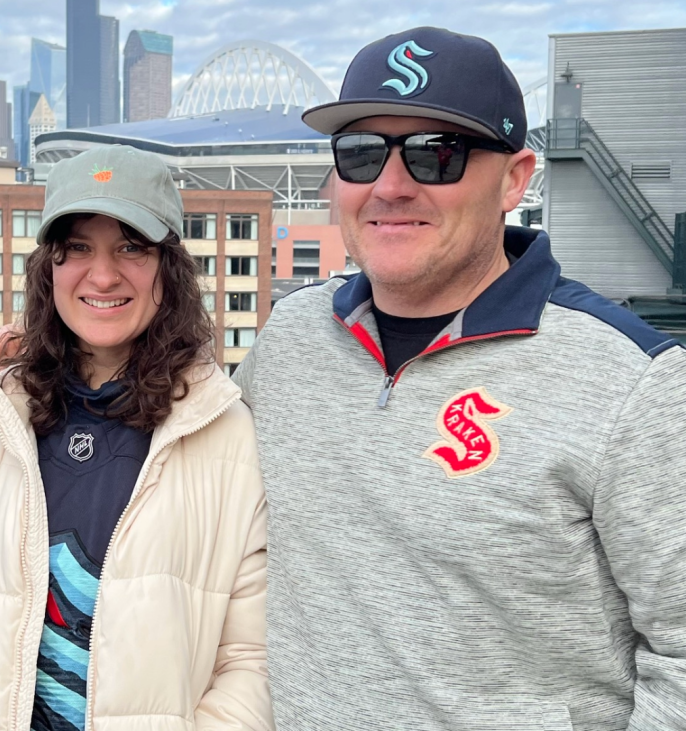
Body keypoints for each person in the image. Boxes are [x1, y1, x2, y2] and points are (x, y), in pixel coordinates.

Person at [234, 26, 686, 730]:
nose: (388, 185)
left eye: (434, 154)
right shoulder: (289, 340)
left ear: (514, 178)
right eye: (359, 153)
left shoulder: (634, 384)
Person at [0, 145, 272, 731]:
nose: (102, 275)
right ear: (48, 267)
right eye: (77, 248)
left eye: (131, 247)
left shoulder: (226, 435)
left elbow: (249, 659)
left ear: (168, 269)